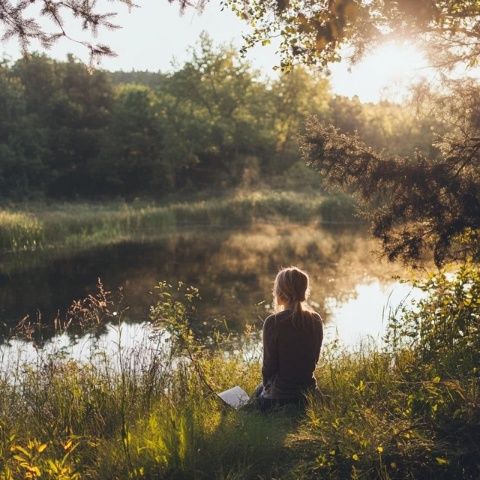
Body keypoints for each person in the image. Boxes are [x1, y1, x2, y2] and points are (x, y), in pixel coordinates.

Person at [250, 266, 323, 412]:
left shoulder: (273, 322)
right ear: (304, 291)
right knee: (259, 390)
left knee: (255, 395)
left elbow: (269, 367)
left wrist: (266, 388)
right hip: (308, 394)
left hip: (279, 396)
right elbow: (314, 360)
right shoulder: (316, 319)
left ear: (280, 292)